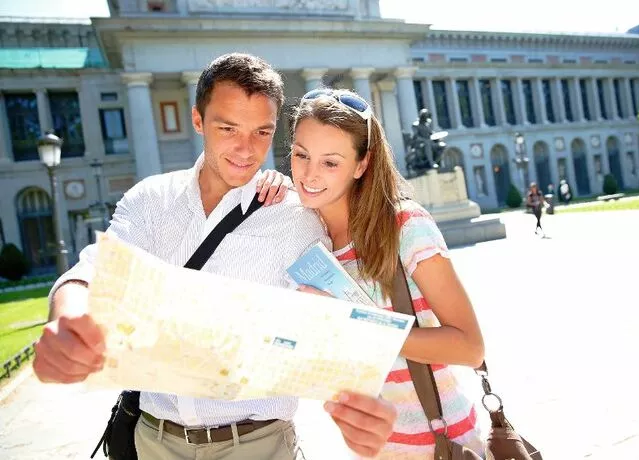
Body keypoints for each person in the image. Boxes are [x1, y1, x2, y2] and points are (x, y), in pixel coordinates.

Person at [32, 53, 396, 460]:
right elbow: (93, 270)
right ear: (198, 121)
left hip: (258, 444)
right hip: (153, 440)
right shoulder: (150, 200)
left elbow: (327, 326)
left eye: (262, 132)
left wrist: (361, 402)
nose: (246, 149)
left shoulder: (299, 220)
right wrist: (67, 316)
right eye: (228, 128)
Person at [289, 88, 488, 459]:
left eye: (330, 163)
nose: (309, 174)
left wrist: (360, 325)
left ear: (361, 165)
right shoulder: (306, 239)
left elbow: (470, 347)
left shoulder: (405, 226)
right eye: (301, 155)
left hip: (439, 446)